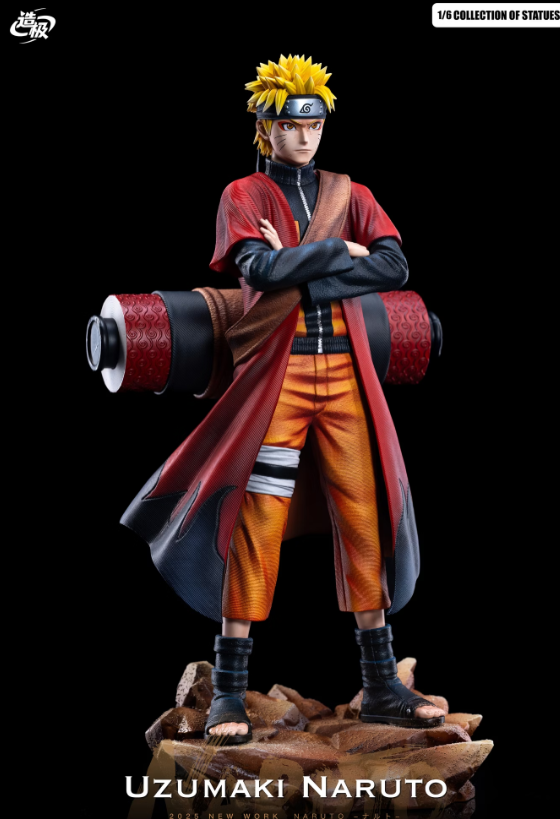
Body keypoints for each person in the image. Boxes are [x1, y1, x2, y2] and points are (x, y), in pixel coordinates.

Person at [121, 55, 445, 745]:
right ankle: (229, 690)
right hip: (281, 380)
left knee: (363, 518)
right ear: (265, 127)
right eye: (290, 125)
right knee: (256, 523)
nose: (304, 137)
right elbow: (258, 272)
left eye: (314, 124)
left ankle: (381, 683)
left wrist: (304, 263)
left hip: (346, 377)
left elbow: (395, 265)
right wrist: (342, 253)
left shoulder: (351, 192)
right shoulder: (243, 193)